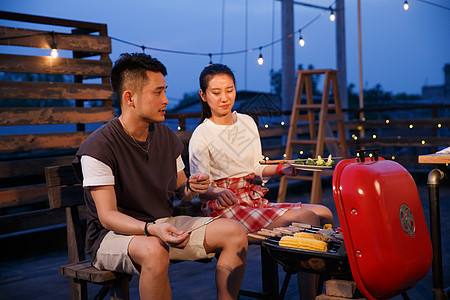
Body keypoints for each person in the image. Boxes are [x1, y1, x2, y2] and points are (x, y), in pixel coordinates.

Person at [72, 54, 247, 300]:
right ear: (129, 98)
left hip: (162, 224)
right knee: (154, 250)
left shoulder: (165, 137)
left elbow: (182, 190)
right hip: (112, 236)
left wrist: (193, 186)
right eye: (157, 92)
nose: (165, 100)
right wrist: (151, 229)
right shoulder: (99, 146)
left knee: (235, 232)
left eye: (165, 91)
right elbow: (107, 216)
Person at [189, 63, 333, 299]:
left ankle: (313, 290)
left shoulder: (246, 122)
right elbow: (202, 190)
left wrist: (281, 169)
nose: (224, 98)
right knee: (307, 218)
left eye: (230, 90)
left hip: (253, 200)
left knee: (324, 212)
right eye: (216, 93)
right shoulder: (202, 135)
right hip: (225, 208)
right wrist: (216, 193)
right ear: (203, 96)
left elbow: (255, 168)